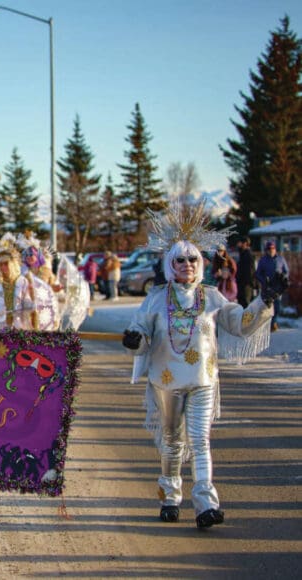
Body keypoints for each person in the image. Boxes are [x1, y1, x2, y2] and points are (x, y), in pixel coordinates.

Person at [122, 201, 285, 529]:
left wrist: (263, 301)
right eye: (180, 260)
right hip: (166, 381)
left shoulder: (211, 297)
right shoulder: (156, 298)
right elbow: (140, 329)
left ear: (201, 263)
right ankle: (170, 495)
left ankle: (206, 504)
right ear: (170, 264)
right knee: (172, 440)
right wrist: (134, 339)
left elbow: (240, 323)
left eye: (193, 259)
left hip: (202, 380)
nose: (187, 265)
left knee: (200, 439)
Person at [255, 240, 290, 332]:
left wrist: (283, 276)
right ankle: (267, 324)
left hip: (278, 287)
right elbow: (258, 273)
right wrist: (264, 280)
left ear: (275, 249)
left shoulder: (280, 259)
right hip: (267, 287)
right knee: (267, 306)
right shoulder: (263, 260)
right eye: (269, 249)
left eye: (272, 248)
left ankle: (274, 322)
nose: (271, 250)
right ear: (266, 250)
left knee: (277, 306)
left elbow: (286, 271)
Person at [235, 236, 256, 307]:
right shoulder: (242, 254)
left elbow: (250, 272)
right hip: (241, 285)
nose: (238, 245)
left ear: (245, 243)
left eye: (240, 243)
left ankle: (247, 318)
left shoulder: (248, 255)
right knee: (241, 305)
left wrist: (249, 284)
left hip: (246, 286)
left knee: (246, 305)